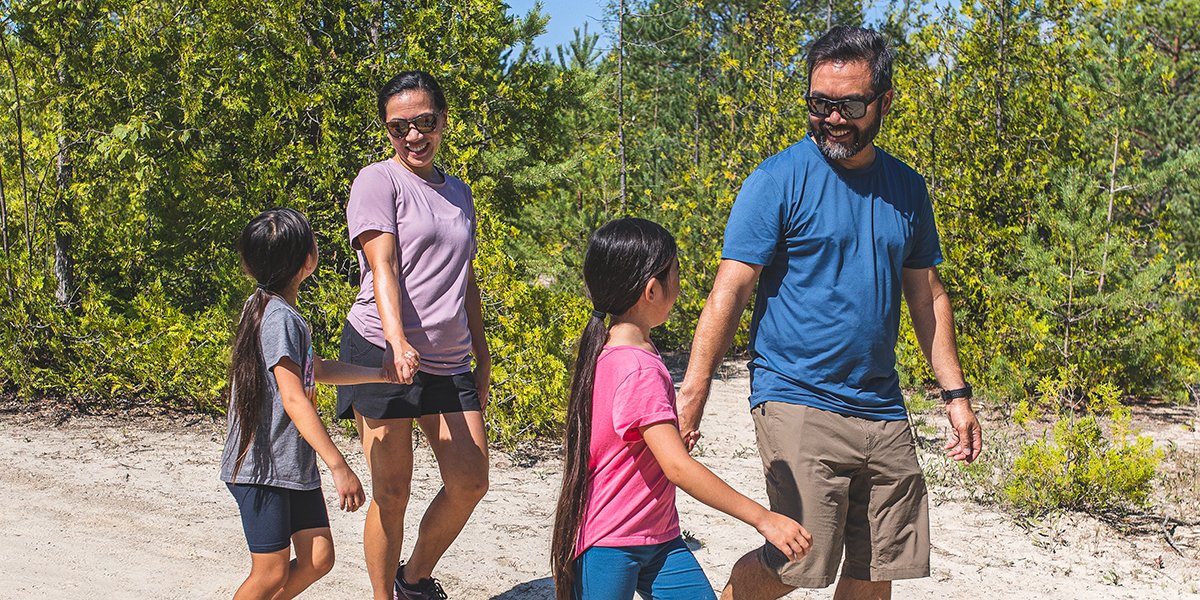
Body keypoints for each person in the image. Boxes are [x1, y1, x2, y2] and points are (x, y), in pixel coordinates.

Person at [676, 26, 984, 600]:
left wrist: (956, 395)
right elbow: (731, 289)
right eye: (820, 104)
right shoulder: (777, 180)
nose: (833, 118)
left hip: (881, 403)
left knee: (879, 562)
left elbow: (927, 295)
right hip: (796, 393)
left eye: (849, 104)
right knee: (799, 557)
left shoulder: (907, 189)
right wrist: (692, 393)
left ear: (884, 101)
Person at [550, 218, 813, 600]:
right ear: (651, 290)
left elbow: (619, 442)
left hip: (659, 537)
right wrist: (764, 519)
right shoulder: (638, 367)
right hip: (610, 542)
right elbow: (677, 468)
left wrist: (666, 439)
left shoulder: (611, 351)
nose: (680, 283)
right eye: (676, 272)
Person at [337, 70, 491, 600]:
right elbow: (383, 267)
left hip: (449, 359)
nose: (413, 136)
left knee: (471, 480)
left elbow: (463, 277)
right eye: (399, 127)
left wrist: (483, 354)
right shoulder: (377, 181)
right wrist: (398, 342)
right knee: (392, 491)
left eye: (424, 122)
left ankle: (414, 577)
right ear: (388, 132)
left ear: (443, 121)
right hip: (381, 349)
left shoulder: (459, 194)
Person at [219, 207, 388, 600]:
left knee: (317, 558)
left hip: (289, 464)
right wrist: (339, 465)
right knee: (271, 572)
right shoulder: (278, 317)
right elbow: (294, 396)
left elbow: (313, 370)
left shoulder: (275, 308)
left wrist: (380, 373)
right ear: (305, 261)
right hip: (261, 468)